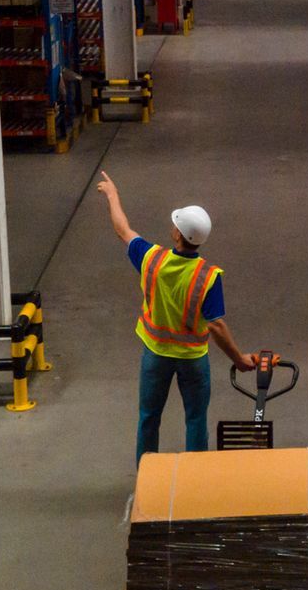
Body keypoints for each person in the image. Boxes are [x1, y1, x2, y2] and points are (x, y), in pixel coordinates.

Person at [93, 171, 254, 459]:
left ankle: (147, 476)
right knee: (196, 420)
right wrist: (239, 359)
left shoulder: (151, 259)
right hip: (193, 360)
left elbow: (122, 229)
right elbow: (216, 326)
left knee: (149, 417)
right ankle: (195, 479)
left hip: (156, 355)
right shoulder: (208, 276)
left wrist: (112, 194)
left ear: (178, 234)